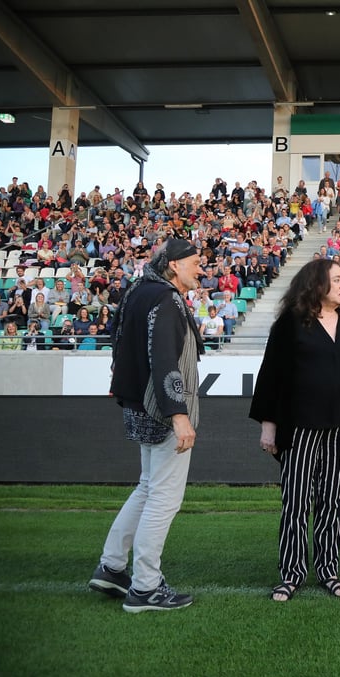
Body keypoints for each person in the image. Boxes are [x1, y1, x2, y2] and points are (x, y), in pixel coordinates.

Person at [88, 239, 205, 612]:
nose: (201, 269)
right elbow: (165, 359)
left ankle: (111, 567)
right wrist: (179, 414)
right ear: (173, 265)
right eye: (195, 263)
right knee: (163, 498)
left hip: (138, 405)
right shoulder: (166, 299)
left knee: (146, 487)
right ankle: (145, 586)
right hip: (161, 411)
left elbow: (116, 343)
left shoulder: (139, 291)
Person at [250, 259, 340, 601]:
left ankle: (328, 570)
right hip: (300, 428)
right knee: (296, 503)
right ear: (316, 283)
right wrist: (268, 426)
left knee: (332, 501)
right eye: (336, 279)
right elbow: (271, 376)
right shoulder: (290, 323)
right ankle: (291, 574)